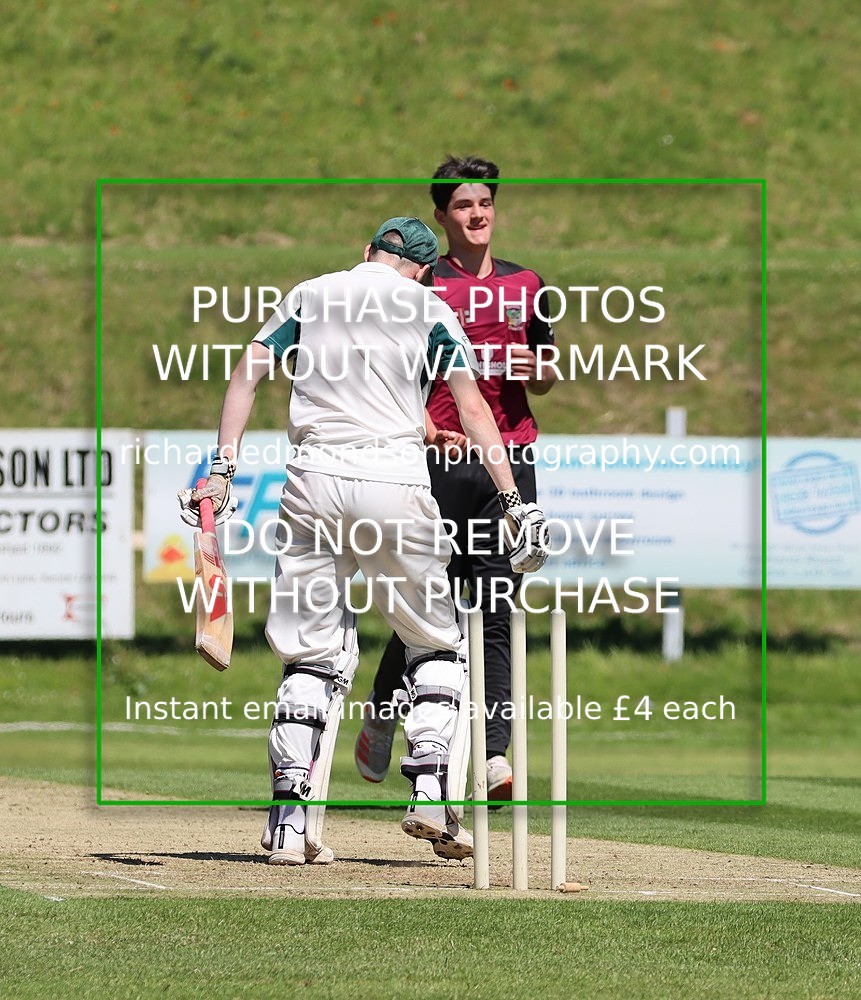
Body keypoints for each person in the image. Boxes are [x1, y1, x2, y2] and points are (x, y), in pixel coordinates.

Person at [179, 216, 550, 867]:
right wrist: (513, 499)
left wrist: (222, 469)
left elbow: (246, 375)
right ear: (423, 270)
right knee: (435, 643)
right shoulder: (429, 306)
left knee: (312, 657)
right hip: (393, 484)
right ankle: (430, 793)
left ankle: (289, 827)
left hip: (313, 481)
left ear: (366, 253)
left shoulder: (310, 293)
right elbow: (471, 408)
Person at [355, 158, 560, 800]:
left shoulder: (529, 282)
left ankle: (493, 755)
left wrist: (540, 368)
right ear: (442, 217)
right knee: (428, 605)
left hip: (511, 457)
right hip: (438, 459)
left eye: (486, 203)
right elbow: (387, 369)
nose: (478, 214)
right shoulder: (421, 282)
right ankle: (383, 716)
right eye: (464, 206)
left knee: (496, 607)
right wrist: (419, 425)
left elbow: (549, 372)